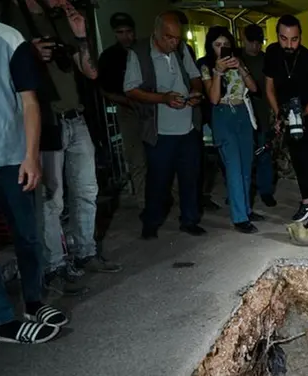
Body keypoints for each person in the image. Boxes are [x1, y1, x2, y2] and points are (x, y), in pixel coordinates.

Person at [5, 0, 120, 298]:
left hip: (75, 117)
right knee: (51, 199)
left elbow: (90, 73)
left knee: (86, 189)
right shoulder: (10, 17)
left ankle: (85, 251)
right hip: (46, 121)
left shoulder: (60, 19)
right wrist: (30, 53)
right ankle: (55, 266)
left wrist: (80, 36)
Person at [0, 19, 67, 344]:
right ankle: (4, 321)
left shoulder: (9, 38)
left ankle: (34, 303)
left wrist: (31, 155)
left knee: (28, 233)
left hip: (11, 156)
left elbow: (29, 101)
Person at [124, 12, 206, 239]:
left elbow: (194, 75)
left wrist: (196, 92)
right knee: (158, 182)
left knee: (190, 178)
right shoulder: (139, 53)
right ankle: (151, 222)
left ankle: (189, 220)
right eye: (169, 38)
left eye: (177, 38)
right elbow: (130, 90)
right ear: (157, 34)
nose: (174, 42)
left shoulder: (181, 49)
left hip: (188, 127)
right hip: (161, 132)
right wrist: (163, 98)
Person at [264, 14, 308, 227]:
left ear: (300, 36)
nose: (289, 45)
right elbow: (269, 88)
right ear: (277, 36)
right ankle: (306, 202)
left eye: (294, 39)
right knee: (298, 163)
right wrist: (279, 115)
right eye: (284, 39)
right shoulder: (273, 53)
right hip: (288, 116)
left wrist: (298, 115)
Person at [198, 26, 260, 234]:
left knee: (246, 164)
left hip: (242, 112)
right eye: (217, 45)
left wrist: (241, 67)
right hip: (223, 115)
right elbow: (214, 98)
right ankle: (239, 217)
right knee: (233, 166)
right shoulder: (207, 66)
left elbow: (253, 88)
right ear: (210, 47)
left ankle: (246, 209)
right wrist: (218, 72)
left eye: (226, 44)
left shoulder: (238, 62)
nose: (222, 49)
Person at [98, 13, 144, 203]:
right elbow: (104, 89)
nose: (125, 36)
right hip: (128, 111)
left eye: (128, 32)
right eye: (120, 32)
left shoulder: (143, 50)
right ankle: (144, 202)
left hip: (152, 108)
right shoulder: (109, 57)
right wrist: (128, 101)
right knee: (137, 159)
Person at [241, 23, 276, 209]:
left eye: (258, 43)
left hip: (262, 115)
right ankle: (241, 193)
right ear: (244, 39)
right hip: (243, 116)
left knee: (264, 154)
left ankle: (266, 191)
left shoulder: (266, 59)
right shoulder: (237, 59)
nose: (255, 47)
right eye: (251, 42)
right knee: (244, 157)